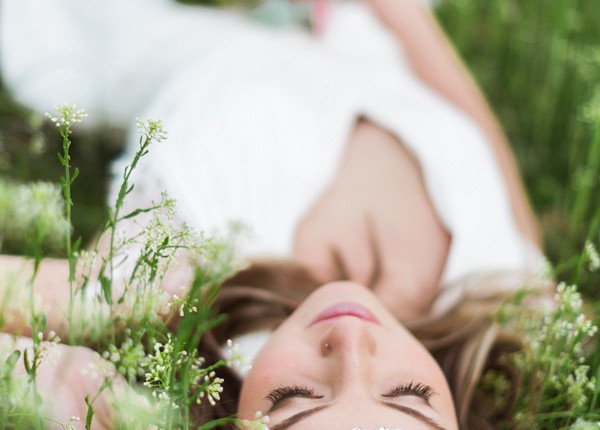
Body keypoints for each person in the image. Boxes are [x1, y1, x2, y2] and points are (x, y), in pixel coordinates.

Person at [0, 0, 547, 428]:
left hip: (199, 44)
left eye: (295, 398)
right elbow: (484, 149)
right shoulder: (513, 310)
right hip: (359, 33)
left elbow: (61, 321)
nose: (352, 344)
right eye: (409, 396)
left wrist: (78, 355)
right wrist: (404, 18)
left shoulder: (171, 278)